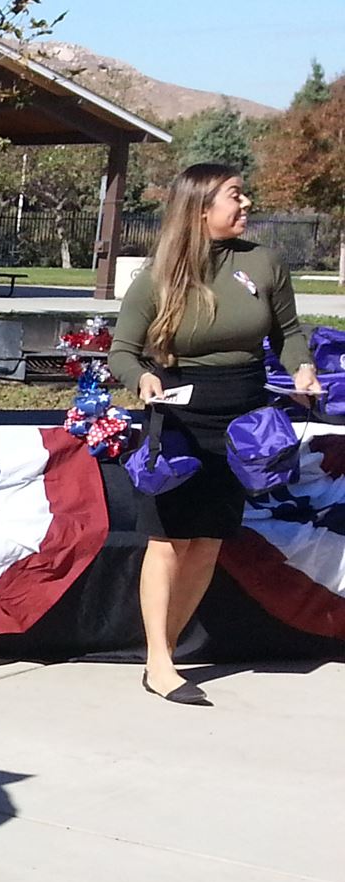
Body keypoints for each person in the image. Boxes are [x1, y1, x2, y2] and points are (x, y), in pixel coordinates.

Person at [107, 162, 320, 705]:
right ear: (201, 208)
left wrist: (302, 369)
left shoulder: (264, 263)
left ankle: (167, 650)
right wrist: (144, 378)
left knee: (208, 540)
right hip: (178, 415)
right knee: (168, 538)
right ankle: (158, 661)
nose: (246, 204)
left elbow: (289, 333)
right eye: (235, 195)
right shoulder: (159, 276)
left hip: (243, 418)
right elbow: (123, 353)